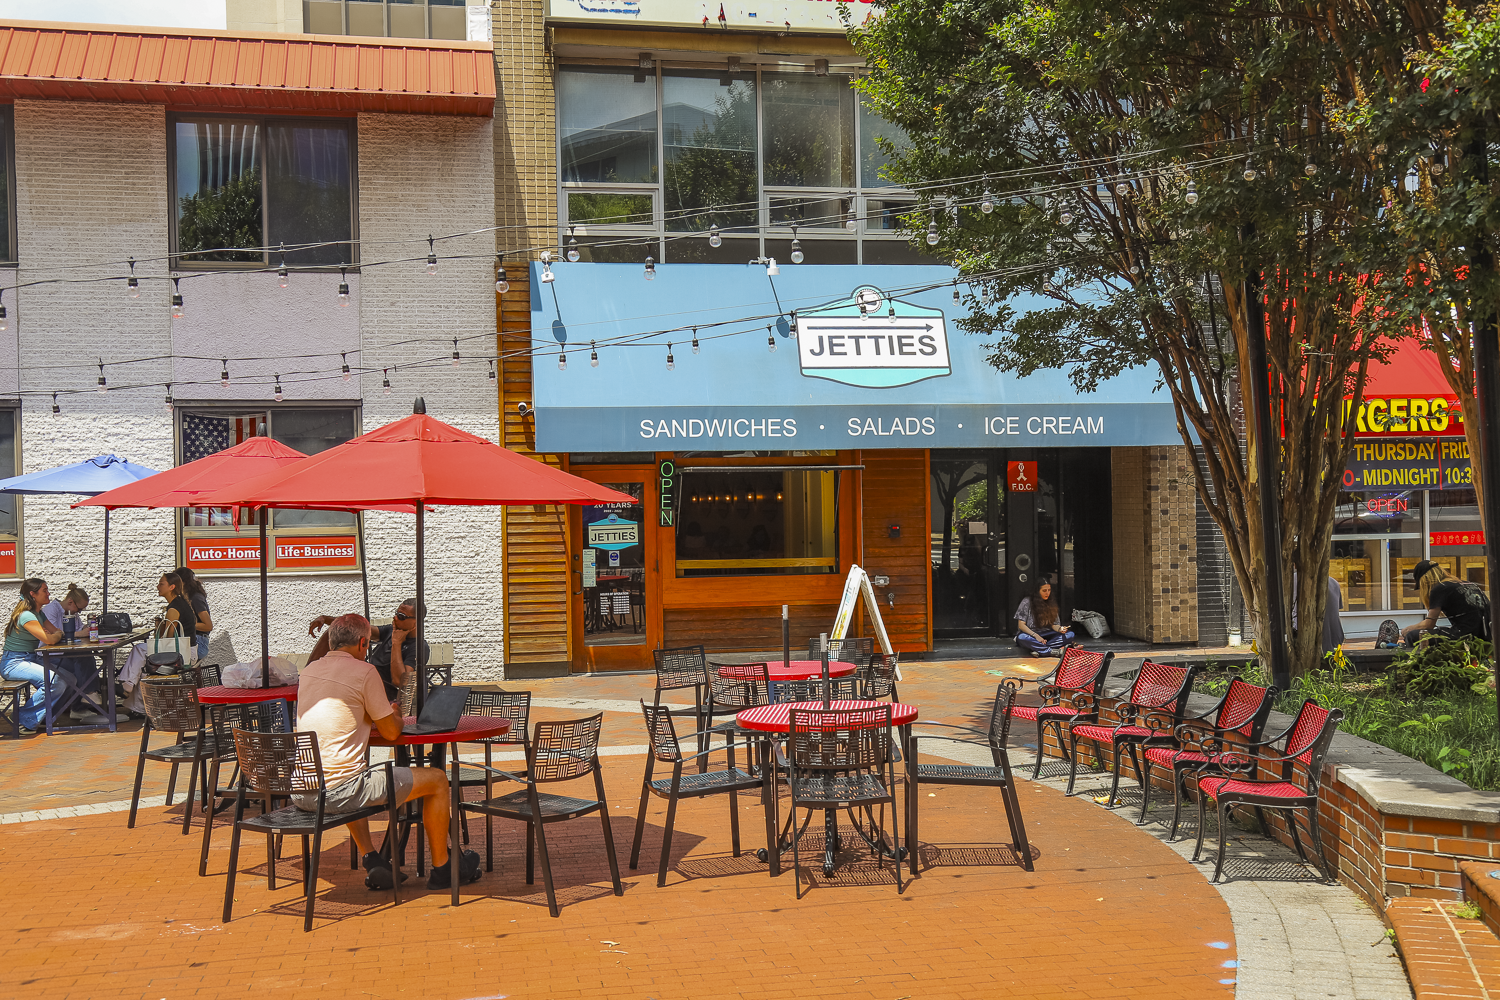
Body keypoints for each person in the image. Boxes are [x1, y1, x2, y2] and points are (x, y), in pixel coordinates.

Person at [294, 613, 479, 890]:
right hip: (340, 793)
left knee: (349, 768)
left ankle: (373, 860)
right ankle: (443, 868)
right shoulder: (364, 672)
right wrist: (393, 712)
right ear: (363, 643)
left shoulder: (308, 672)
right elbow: (392, 732)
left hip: (302, 790)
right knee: (438, 779)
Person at [306, 599, 430, 703]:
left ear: (416, 622)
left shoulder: (419, 647)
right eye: (396, 613)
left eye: (401, 616)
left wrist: (396, 644)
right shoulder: (391, 630)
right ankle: (309, 675)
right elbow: (354, 628)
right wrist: (325, 619)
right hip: (364, 685)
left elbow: (400, 682)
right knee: (332, 633)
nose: (395, 618)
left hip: (384, 697)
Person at [0, 578, 68, 734]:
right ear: (33, 594)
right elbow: (50, 639)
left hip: (30, 658)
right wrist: (54, 635)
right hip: (14, 663)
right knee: (56, 682)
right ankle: (22, 718)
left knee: (70, 679)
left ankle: (40, 717)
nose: (48, 593)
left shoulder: (39, 613)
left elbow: (57, 631)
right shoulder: (27, 616)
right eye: (44, 590)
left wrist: (55, 634)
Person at [1402, 560, 1491, 647]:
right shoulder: (1468, 584)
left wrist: (1409, 629)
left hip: (1465, 636)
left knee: (1412, 636)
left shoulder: (1440, 588)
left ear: (1425, 580)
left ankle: (1418, 661)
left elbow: (1429, 624)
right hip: (1486, 635)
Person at [40, 583, 96, 702]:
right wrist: (80, 633)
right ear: (70, 602)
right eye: (79, 609)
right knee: (78, 669)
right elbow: (54, 635)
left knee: (87, 657)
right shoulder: (51, 610)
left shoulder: (72, 613)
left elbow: (79, 629)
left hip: (64, 652)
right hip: (48, 655)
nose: (79, 612)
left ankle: (90, 696)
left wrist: (89, 626)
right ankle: (85, 699)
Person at [1014, 580, 1075, 657]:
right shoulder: (1027, 602)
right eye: (1044, 590)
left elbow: (1054, 625)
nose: (1047, 593)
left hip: (1048, 634)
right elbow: (1021, 625)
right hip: (1031, 634)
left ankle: (1039, 649)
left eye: (1049, 590)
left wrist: (1060, 629)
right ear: (1037, 591)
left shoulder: (1051, 602)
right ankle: (1051, 651)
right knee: (1022, 638)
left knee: (1070, 634)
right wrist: (1036, 636)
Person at [174, 566, 213, 662]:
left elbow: (208, 626)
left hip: (199, 643)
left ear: (182, 582)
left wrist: (186, 624)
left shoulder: (195, 598)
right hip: (193, 641)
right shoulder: (187, 597)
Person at [155, 572, 198, 647]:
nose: (158, 587)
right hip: (189, 648)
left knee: (138, 649)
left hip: (182, 651)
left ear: (172, 587)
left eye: (161, 584)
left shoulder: (174, 608)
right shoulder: (181, 602)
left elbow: (168, 638)